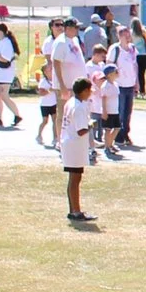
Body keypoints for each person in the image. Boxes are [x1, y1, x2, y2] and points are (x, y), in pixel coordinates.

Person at [59, 76, 97, 223]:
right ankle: (75, 211)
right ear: (84, 91)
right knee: (75, 178)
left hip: (70, 143)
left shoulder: (71, 102)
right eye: (89, 90)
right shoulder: (79, 107)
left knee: (74, 178)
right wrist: (91, 124)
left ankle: (73, 209)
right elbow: (81, 130)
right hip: (74, 145)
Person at [109, 26, 144, 150]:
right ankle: (118, 136)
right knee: (120, 111)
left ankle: (125, 133)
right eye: (125, 35)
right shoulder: (115, 49)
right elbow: (109, 65)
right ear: (119, 36)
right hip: (119, 84)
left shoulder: (132, 49)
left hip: (130, 84)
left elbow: (135, 66)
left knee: (128, 112)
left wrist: (137, 82)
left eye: (129, 35)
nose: (128, 37)